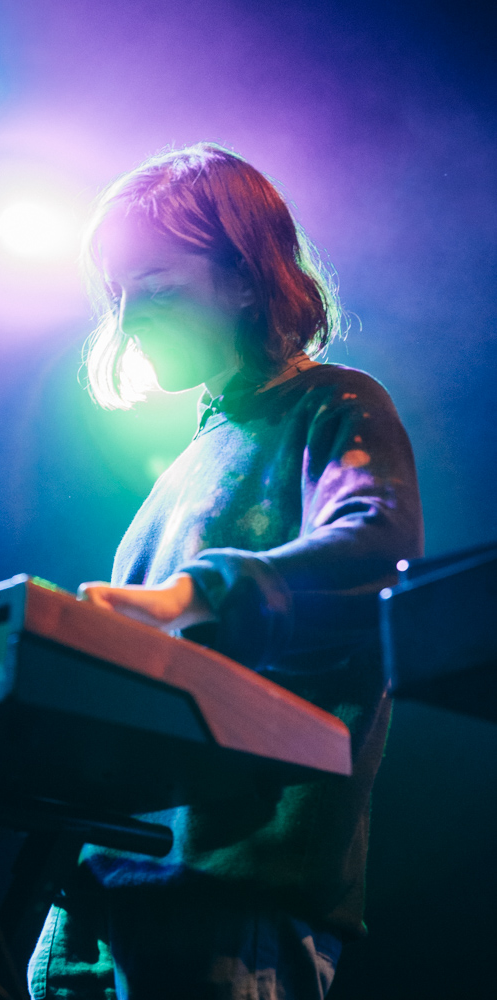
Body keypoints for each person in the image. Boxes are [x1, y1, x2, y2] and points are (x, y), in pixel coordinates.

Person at [28, 143, 423, 1000]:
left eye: (156, 285)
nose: (128, 316)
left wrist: (196, 593)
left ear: (245, 279)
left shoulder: (332, 403)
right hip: (99, 894)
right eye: (117, 294)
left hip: (233, 884)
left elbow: (379, 544)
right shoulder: (187, 461)